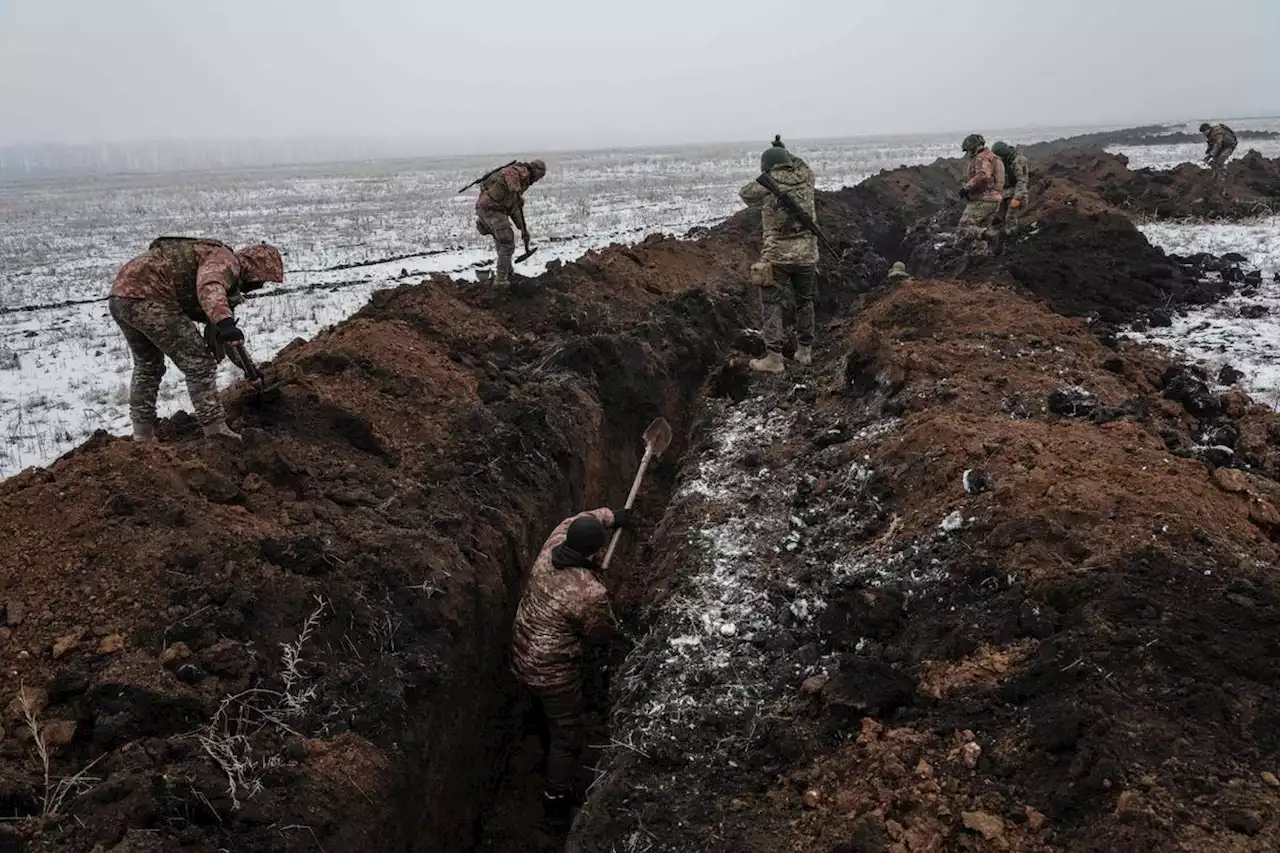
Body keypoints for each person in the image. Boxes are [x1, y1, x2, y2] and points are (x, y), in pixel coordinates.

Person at [511, 506, 636, 825]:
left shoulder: (553, 544)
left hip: (521, 649)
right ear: (596, 552)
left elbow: (580, 518)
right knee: (567, 734)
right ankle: (556, 796)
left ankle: (541, 741)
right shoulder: (589, 593)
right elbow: (602, 634)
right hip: (552, 673)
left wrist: (612, 516)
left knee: (542, 712)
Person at [109, 237, 284, 442]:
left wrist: (250, 370)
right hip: (151, 296)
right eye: (261, 281)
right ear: (255, 269)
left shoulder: (218, 268)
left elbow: (226, 337)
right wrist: (225, 321)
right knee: (199, 362)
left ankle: (143, 434)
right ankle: (215, 429)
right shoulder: (226, 260)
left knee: (148, 365)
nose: (259, 286)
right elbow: (209, 286)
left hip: (120, 297)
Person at [739, 136, 819, 374]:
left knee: (772, 304)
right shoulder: (807, 177)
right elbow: (799, 163)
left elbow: (745, 194)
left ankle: (774, 358)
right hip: (807, 255)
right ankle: (805, 352)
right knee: (805, 301)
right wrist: (785, 152)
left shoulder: (766, 183)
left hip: (777, 257)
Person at [475, 159, 547, 285]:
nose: (537, 181)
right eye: (538, 177)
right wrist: (517, 193)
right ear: (535, 172)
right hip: (491, 210)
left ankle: (508, 273)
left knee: (502, 241)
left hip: (491, 209)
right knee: (507, 243)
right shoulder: (517, 173)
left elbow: (513, 208)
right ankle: (501, 280)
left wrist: (523, 229)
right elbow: (511, 189)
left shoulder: (522, 179)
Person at [957, 134, 1006, 257]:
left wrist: (966, 188)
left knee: (964, 228)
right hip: (995, 199)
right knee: (980, 228)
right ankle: (981, 256)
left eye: (968, 150)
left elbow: (983, 176)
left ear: (973, 147)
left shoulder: (981, 158)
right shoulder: (993, 157)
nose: (967, 154)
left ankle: (993, 236)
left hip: (983, 199)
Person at [991, 141, 1029, 233]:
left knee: (1010, 215)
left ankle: (1012, 235)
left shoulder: (1019, 161)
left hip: (1018, 193)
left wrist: (1016, 199)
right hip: (1006, 192)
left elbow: (1022, 182)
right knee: (999, 215)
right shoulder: (1002, 160)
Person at [1200, 122, 1238, 196]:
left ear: (1208, 129)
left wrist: (1210, 155)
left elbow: (1218, 144)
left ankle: (1222, 178)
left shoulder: (1217, 132)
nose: (1203, 134)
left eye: (1204, 132)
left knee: (1220, 160)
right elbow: (1213, 145)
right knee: (1214, 161)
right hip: (1222, 147)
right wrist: (1209, 153)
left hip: (1229, 146)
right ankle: (1215, 177)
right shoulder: (1210, 134)